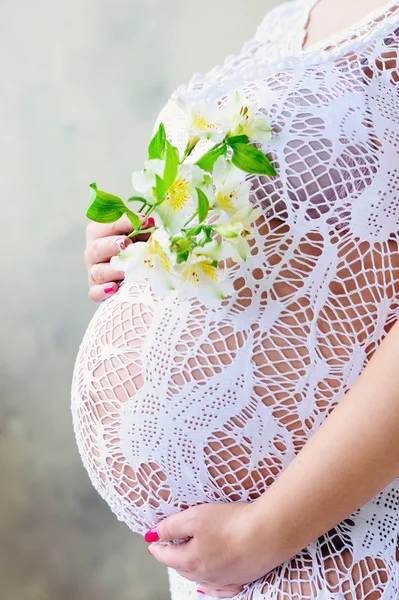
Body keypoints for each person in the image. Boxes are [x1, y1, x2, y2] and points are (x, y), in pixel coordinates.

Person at [75, 0, 399, 598]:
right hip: (230, 552)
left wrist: (268, 530)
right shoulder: (288, 21)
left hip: (328, 522)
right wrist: (140, 244)